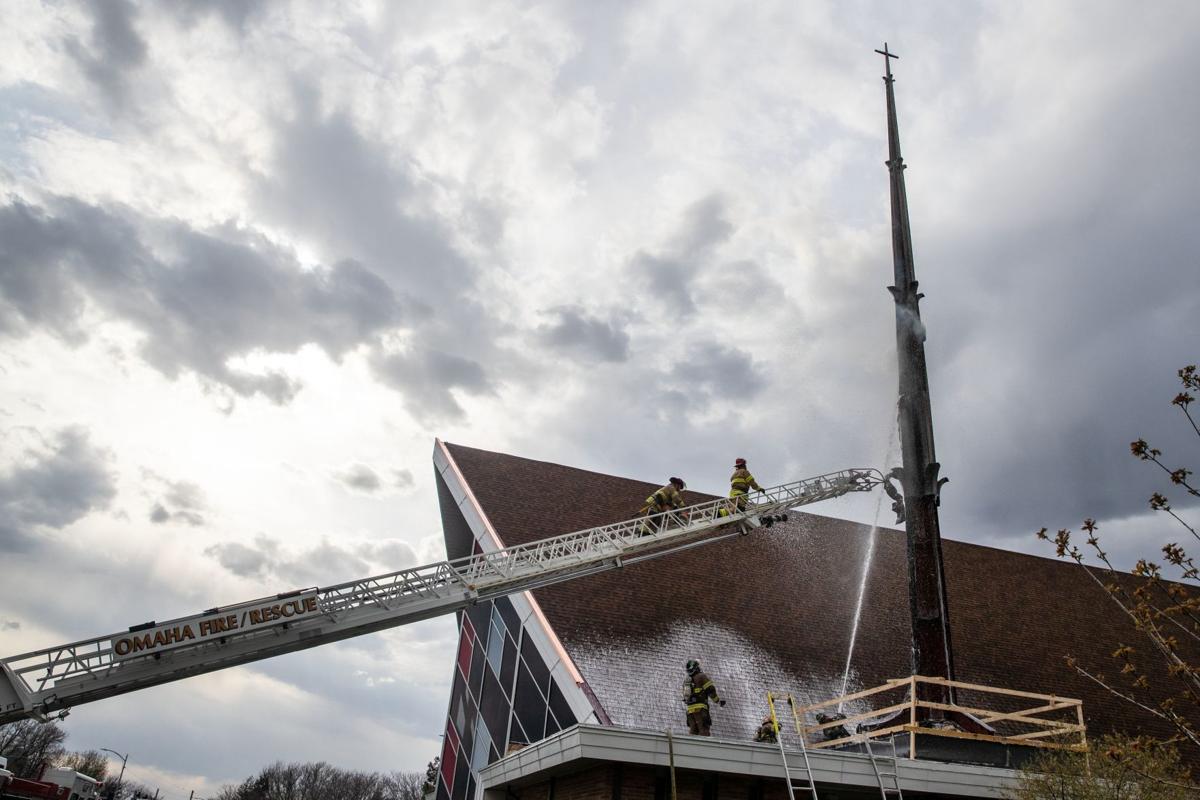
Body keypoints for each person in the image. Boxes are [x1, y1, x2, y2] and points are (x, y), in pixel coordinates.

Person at [681, 659, 724, 736]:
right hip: (700, 710)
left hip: (690, 711)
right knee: (704, 731)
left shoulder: (686, 680)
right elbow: (710, 690)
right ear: (697, 668)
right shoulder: (701, 677)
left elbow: (685, 696)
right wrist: (718, 701)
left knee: (693, 732)